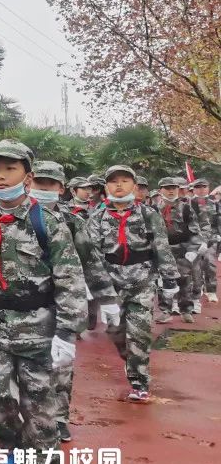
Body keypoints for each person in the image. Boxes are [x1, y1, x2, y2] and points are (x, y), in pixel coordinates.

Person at [0, 140, 87, 464]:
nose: (0, 176)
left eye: (10, 168)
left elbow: (69, 277)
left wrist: (67, 333)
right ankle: (14, 453)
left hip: (39, 328)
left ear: (27, 176)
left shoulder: (46, 221)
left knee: (39, 407)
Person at [30, 161, 117, 442]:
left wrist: (106, 297)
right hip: (21, 308)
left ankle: (59, 418)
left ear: (60, 188)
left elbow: (91, 262)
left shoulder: (71, 221)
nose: (43, 189)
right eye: (39, 184)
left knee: (60, 366)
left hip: (60, 304)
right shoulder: (14, 218)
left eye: (50, 185)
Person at [87, 166, 180, 401]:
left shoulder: (148, 214)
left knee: (140, 334)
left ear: (135, 186)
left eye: (125, 181)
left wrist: (169, 278)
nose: (119, 185)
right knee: (116, 332)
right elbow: (92, 254)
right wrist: (91, 283)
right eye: (113, 182)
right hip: (111, 285)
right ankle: (131, 358)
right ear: (106, 187)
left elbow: (161, 246)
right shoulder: (97, 217)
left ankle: (140, 383)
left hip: (142, 282)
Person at [156, 176, 203, 323]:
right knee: (163, 282)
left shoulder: (186, 208)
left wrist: (192, 249)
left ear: (178, 190)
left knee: (184, 280)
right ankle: (165, 310)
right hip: (162, 251)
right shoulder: (153, 210)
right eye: (167, 188)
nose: (171, 191)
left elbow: (195, 231)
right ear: (160, 190)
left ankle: (186, 310)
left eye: (173, 188)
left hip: (182, 249)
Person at [189, 179, 219, 310]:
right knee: (194, 266)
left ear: (208, 188)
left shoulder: (214, 204)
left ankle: (211, 290)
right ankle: (197, 288)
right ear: (194, 189)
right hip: (193, 239)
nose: (201, 189)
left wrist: (218, 234)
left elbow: (218, 220)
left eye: (204, 187)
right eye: (198, 187)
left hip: (210, 239)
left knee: (209, 263)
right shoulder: (188, 203)